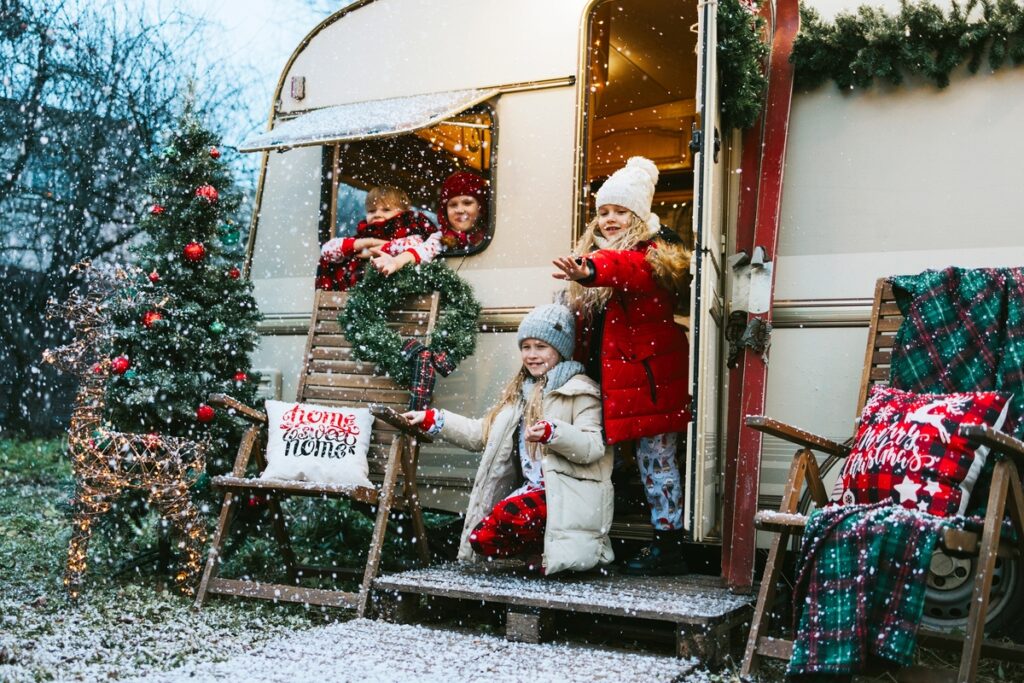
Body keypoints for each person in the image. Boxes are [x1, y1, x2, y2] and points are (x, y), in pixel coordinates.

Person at [552, 156, 692, 576]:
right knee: (620, 462)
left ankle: (670, 549)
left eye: (619, 211)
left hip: (647, 378)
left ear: (638, 214)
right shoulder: (599, 253)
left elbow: (628, 271)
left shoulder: (653, 253)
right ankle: (595, 540)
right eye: (603, 212)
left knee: (657, 462)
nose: (609, 219)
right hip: (617, 378)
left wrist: (592, 268)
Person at [403, 304, 613, 576]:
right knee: (482, 539)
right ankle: (539, 551)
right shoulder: (520, 395)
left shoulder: (579, 392)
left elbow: (592, 447)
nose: (532, 355)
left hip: (565, 492)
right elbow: (481, 435)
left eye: (541, 346)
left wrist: (553, 432)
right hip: (532, 489)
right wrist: (434, 420)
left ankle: (560, 553)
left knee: (513, 516)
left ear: (560, 350)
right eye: (526, 347)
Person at [316, 185, 441, 291]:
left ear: (403, 212)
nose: (377, 215)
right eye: (371, 211)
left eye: (386, 210)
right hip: (358, 296)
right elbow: (327, 250)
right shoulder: (364, 234)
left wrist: (374, 251)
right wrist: (367, 242)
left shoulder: (409, 228)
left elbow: (414, 244)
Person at [437, 170, 489, 251]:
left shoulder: (493, 238)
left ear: (480, 209)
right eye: (453, 205)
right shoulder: (436, 241)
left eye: (467, 203)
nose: (460, 210)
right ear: (445, 212)